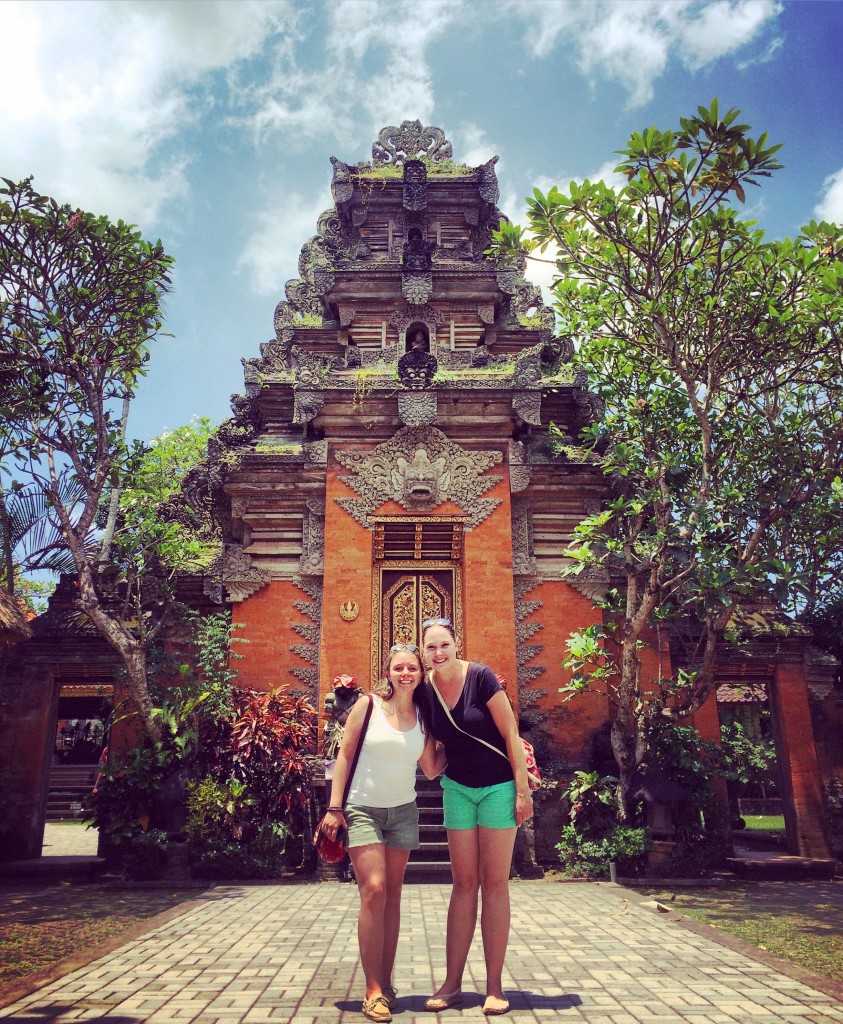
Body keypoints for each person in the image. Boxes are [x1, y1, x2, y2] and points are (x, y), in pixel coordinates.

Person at [321, 644, 446, 1023]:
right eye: (399, 668)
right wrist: (334, 806)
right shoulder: (368, 706)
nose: (405, 674)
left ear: (421, 674)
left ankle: (386, 984)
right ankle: (372, 987)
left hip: (404, 812)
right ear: (388, 672)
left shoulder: (424, 714)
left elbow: (430, 767)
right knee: (373, 889)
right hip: (362, 808)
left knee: (392, 896)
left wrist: (474, 746)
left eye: (412, 668)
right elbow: (344, 754)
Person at [420, 617, 533, 1017]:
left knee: (495, 882)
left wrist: (522, 791)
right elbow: (431, 764)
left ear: (455, 643)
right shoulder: (425, 692)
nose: (438, 653)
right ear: (424, 651)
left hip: (499, 788)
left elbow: (509, 732)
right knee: (463, 883)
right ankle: (451, 984)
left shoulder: (481, 678)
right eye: (430, 647)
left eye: (444, 645)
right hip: (457, 789)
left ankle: (494, 987)